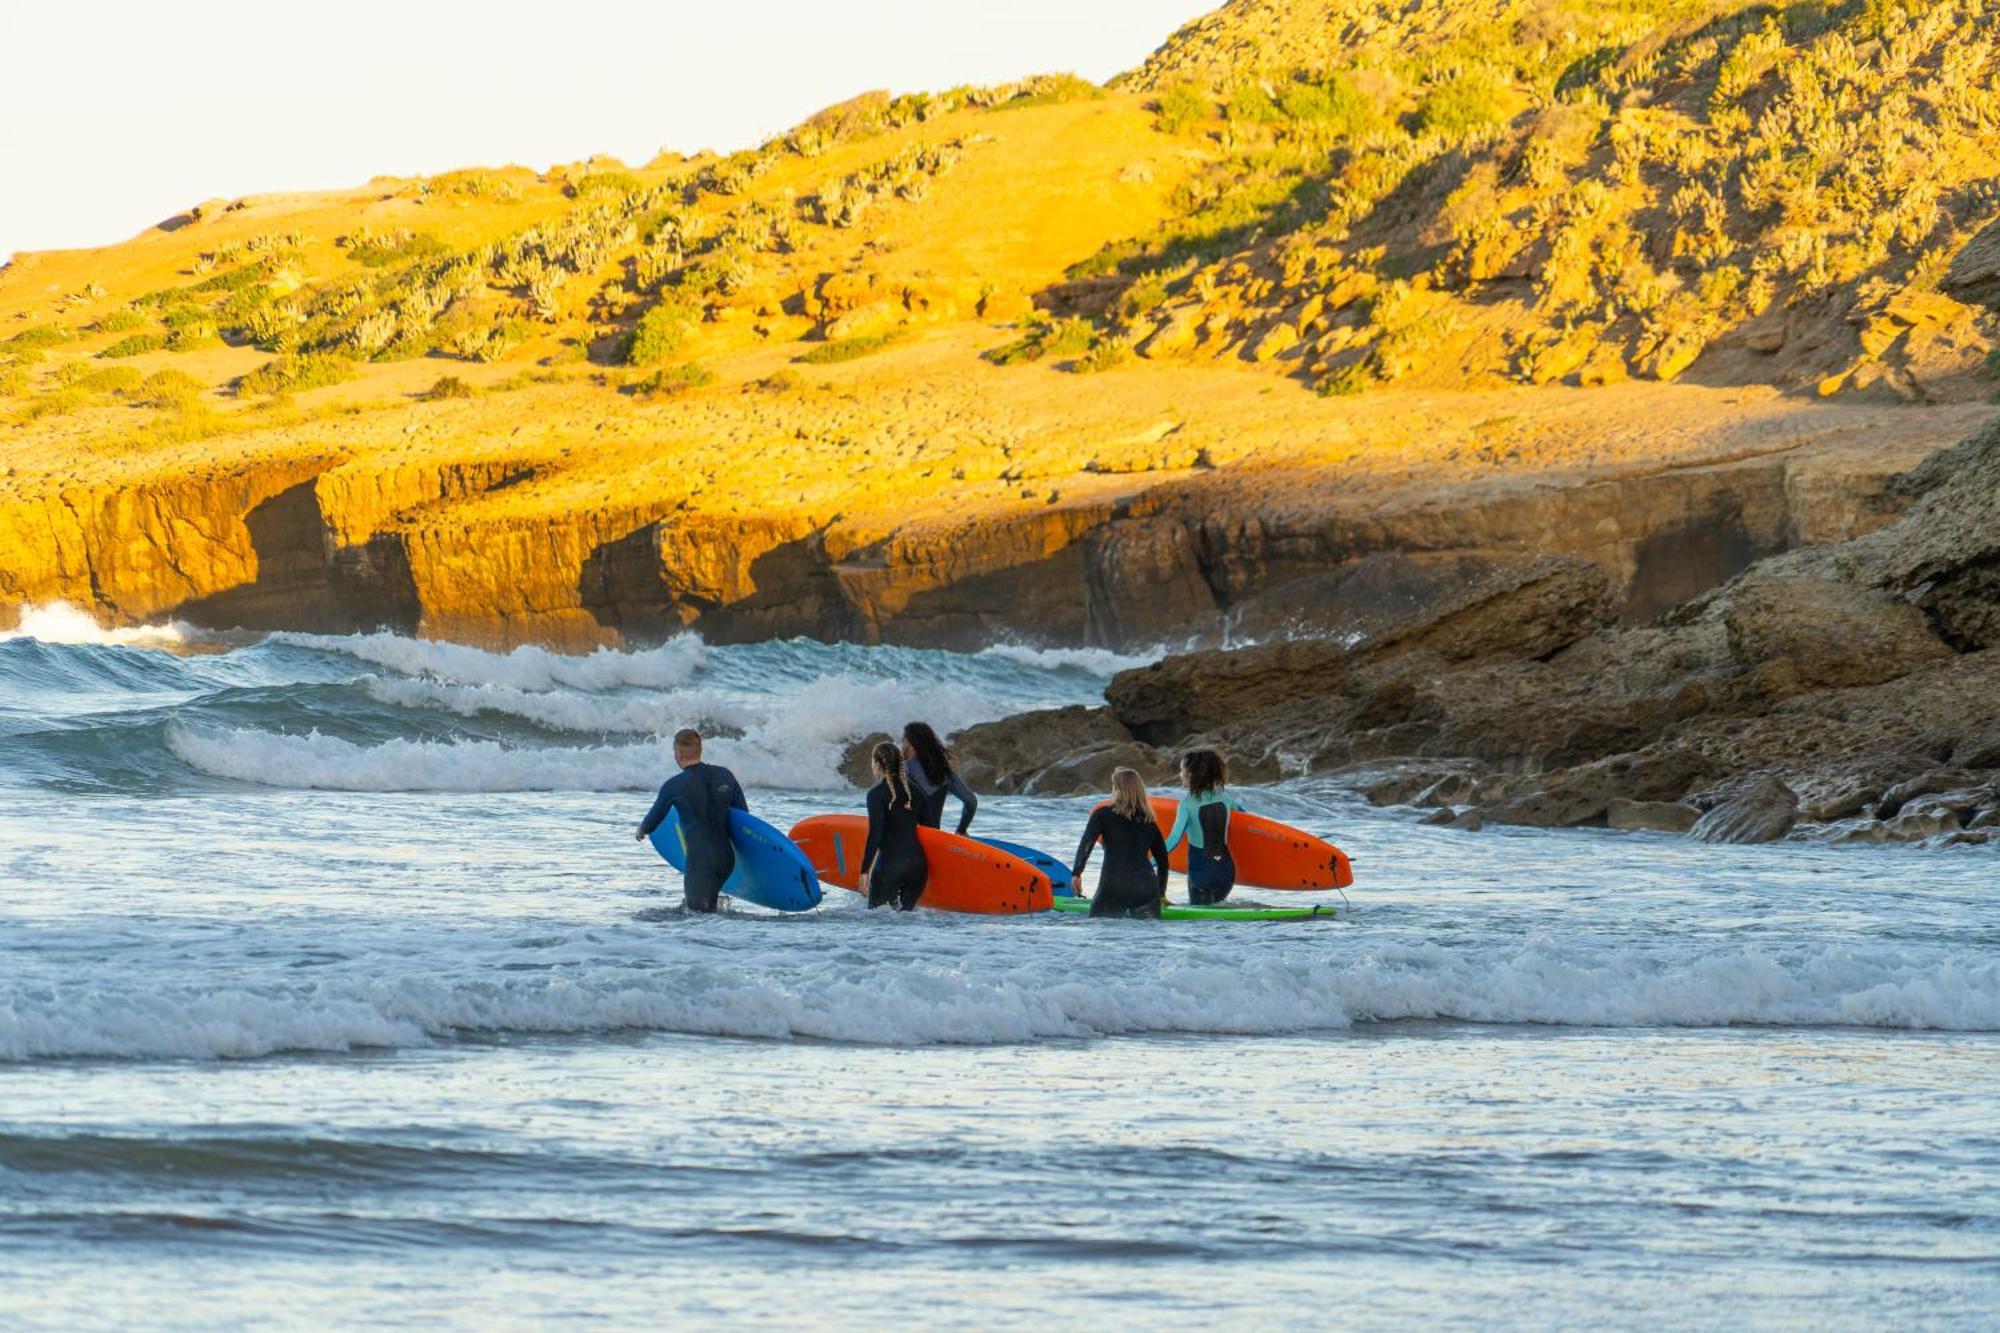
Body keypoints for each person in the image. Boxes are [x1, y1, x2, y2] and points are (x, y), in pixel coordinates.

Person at [635, 728, 746, 913]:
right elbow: (742, 816)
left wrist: (641, 831)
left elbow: (655, 817)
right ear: (700, 750)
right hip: (727, 859)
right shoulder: (725, 775)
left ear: (678, 753)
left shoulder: (674, 786)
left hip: (701, 863)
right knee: (712, 913)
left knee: (697, 918)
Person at [1071, 767, 1169, 918]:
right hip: (1146, 889)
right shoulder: (1149, 821)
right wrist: (1161, 894)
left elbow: (1087, 844)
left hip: (1113, 886)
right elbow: (1163, 861)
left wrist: (1077, 873)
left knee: (1104, 935)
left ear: (1116, 789)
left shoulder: (1102, 814)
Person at [1163, 749, 1246, 906]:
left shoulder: (1186, 804)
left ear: (1191, 775)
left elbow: (1174, 839)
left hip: (1201, 873)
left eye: (1181, 770)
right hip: (1226, 872)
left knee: (1200, 923)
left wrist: (1150, 861)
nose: (1180, 775)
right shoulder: (1227, 799)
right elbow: (1249, 824)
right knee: (1217, 915)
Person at [860, 740, 928, 911]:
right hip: (918, 868)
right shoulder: (917, 791)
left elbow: (875, 834)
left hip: (890, 866)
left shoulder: (876, 794)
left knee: (878, 926)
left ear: (877, 764)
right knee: (907, 923)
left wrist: (864, 871)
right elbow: (932, 829)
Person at [901, 721, 977, 835]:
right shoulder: (944, 772)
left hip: (904, 839)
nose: (901, 744)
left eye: (903, 740)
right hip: (933, 839)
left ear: (911, 745)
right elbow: (971, 801)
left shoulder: (903, 769)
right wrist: (961, 830)